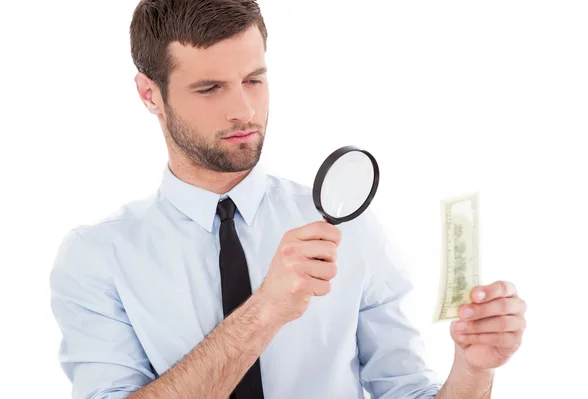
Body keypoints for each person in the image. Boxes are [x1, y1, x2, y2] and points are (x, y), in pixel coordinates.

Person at [49, 1, 528, 398]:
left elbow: (404, 390)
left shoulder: (350, 229)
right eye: (210, 88)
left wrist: (473, 371)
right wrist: (267, 309)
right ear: (149, 94)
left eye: (254, 79)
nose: (244, 110)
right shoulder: (97, 258)